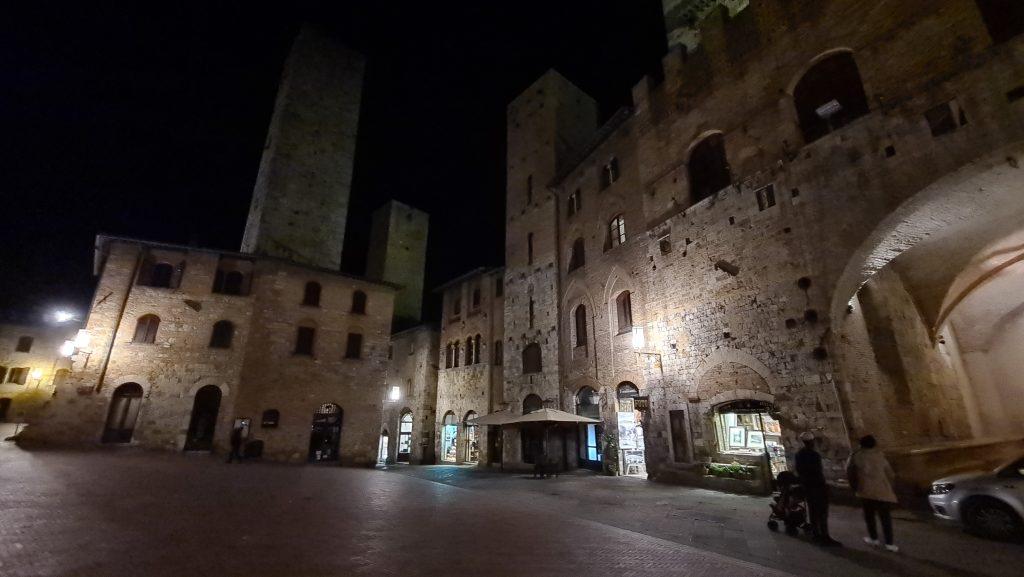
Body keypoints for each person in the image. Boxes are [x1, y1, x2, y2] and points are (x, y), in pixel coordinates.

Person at [847, 435, 899, 552]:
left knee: (869, 516)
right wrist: (889, 487)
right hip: (882, 491)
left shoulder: (856, 456)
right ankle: (889, 543)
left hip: (866, 491)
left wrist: (854, 488)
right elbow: (890, 474)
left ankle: (874, 538)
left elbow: (850, 473)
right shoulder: (880, 456)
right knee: (885, 518)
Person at [795, 431, 840, 546]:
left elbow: (799, 470)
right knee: (822, 512)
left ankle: (816, 533)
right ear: (812, 442)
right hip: (817, 486)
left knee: (813, 510)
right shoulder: (814, 455)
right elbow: (818, 471)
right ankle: (824, 535)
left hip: (807, 486)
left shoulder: (799, 454)